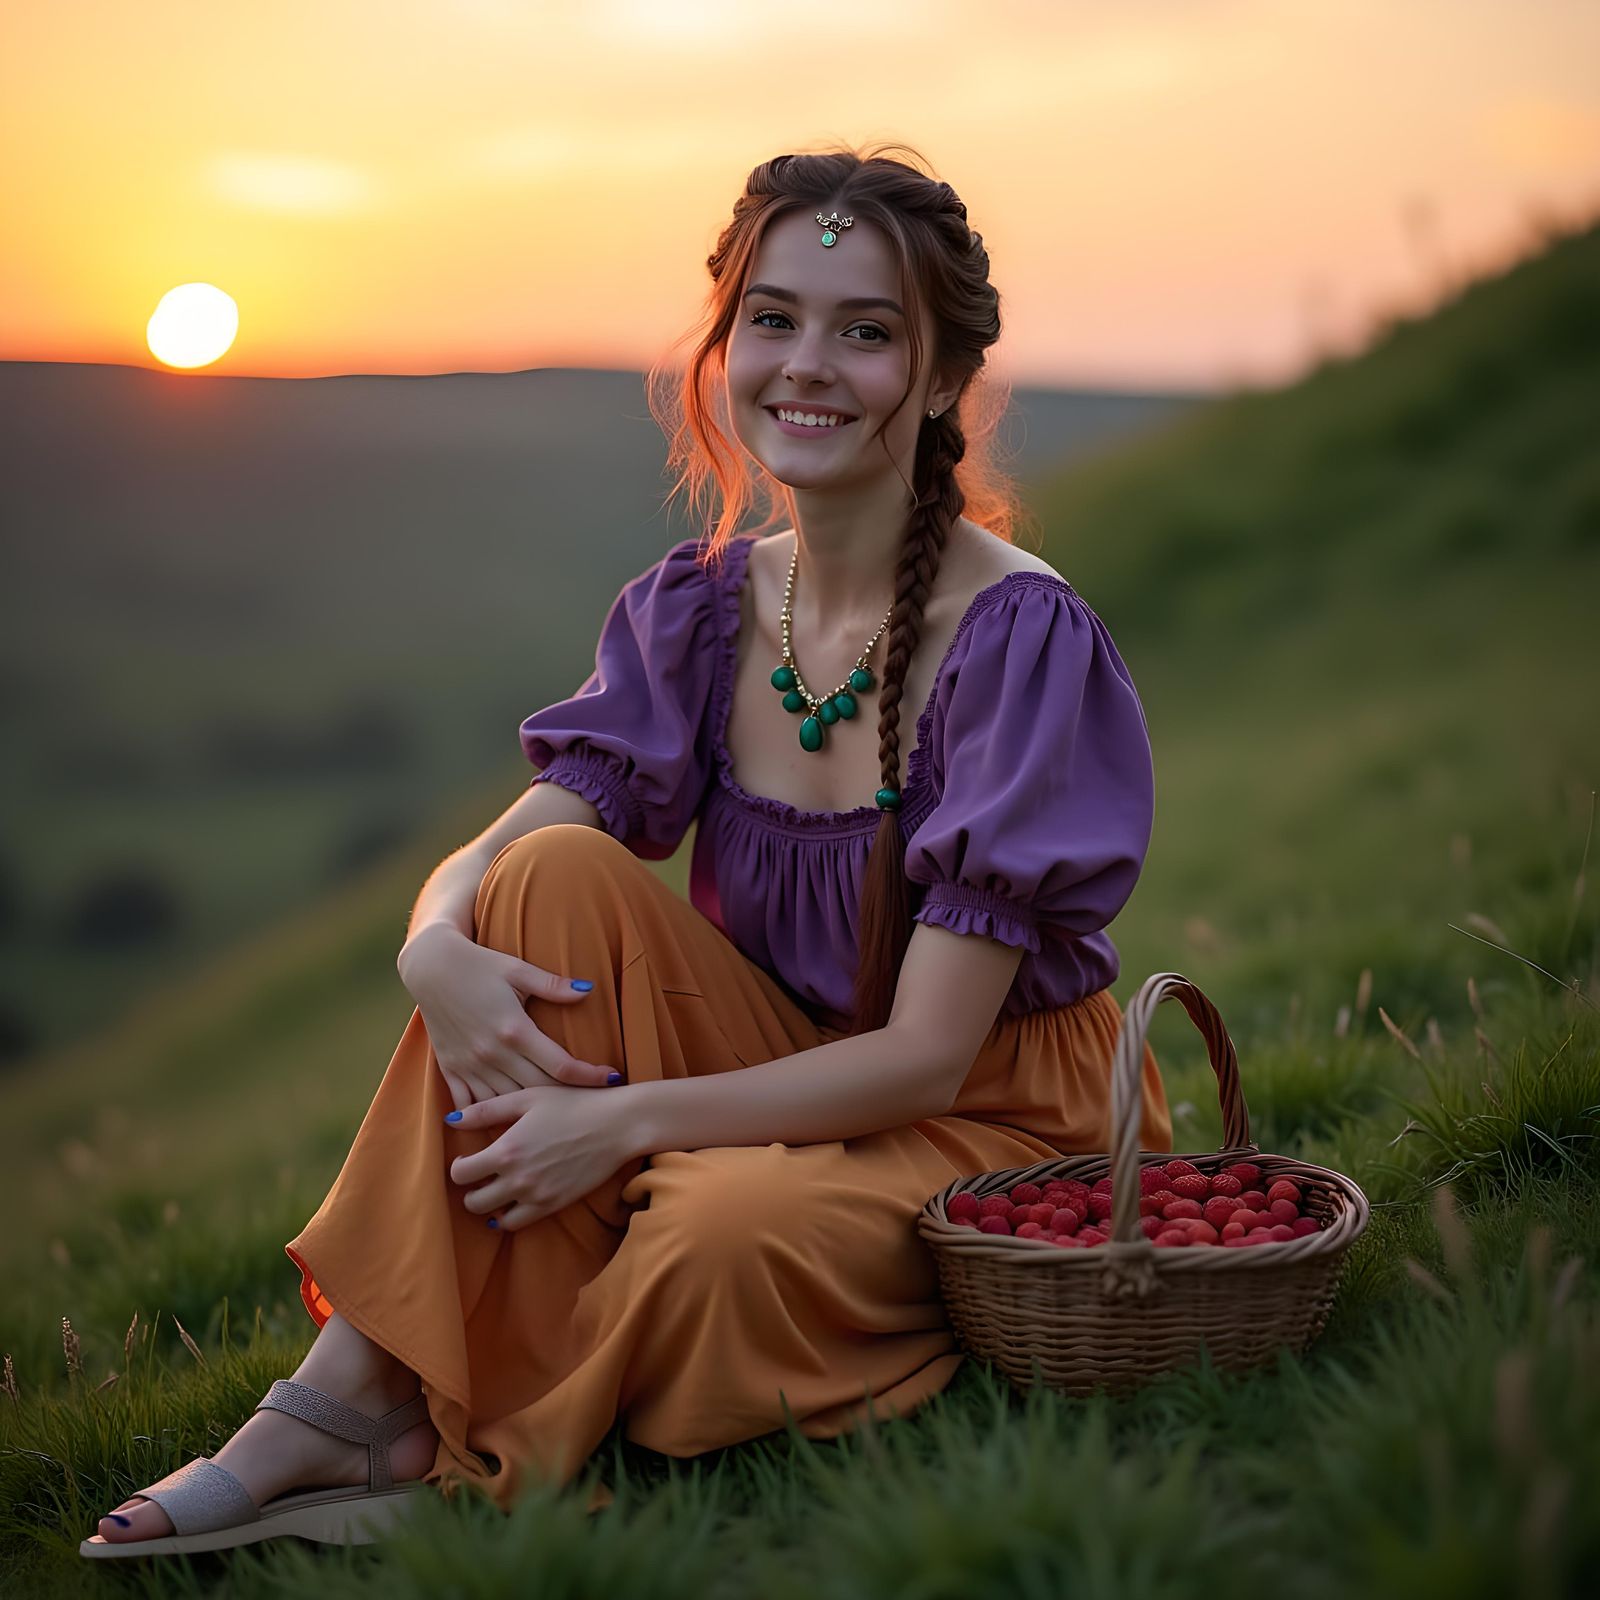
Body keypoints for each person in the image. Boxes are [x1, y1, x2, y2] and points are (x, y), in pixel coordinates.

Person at [84, 141, 1171, 1557]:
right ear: (725, 342)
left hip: (979, 1115)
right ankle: (343, 1392)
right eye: (772, 319)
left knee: (717, 1237)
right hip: (782, 1063)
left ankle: (466, 1461)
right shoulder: (707, 609)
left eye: (866, 331)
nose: (806, 366)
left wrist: (619, 1125)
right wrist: (432, 946)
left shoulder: (1018, 638)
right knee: (542, 884)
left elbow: (920, 1061)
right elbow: (507, 851)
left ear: (946, 377)